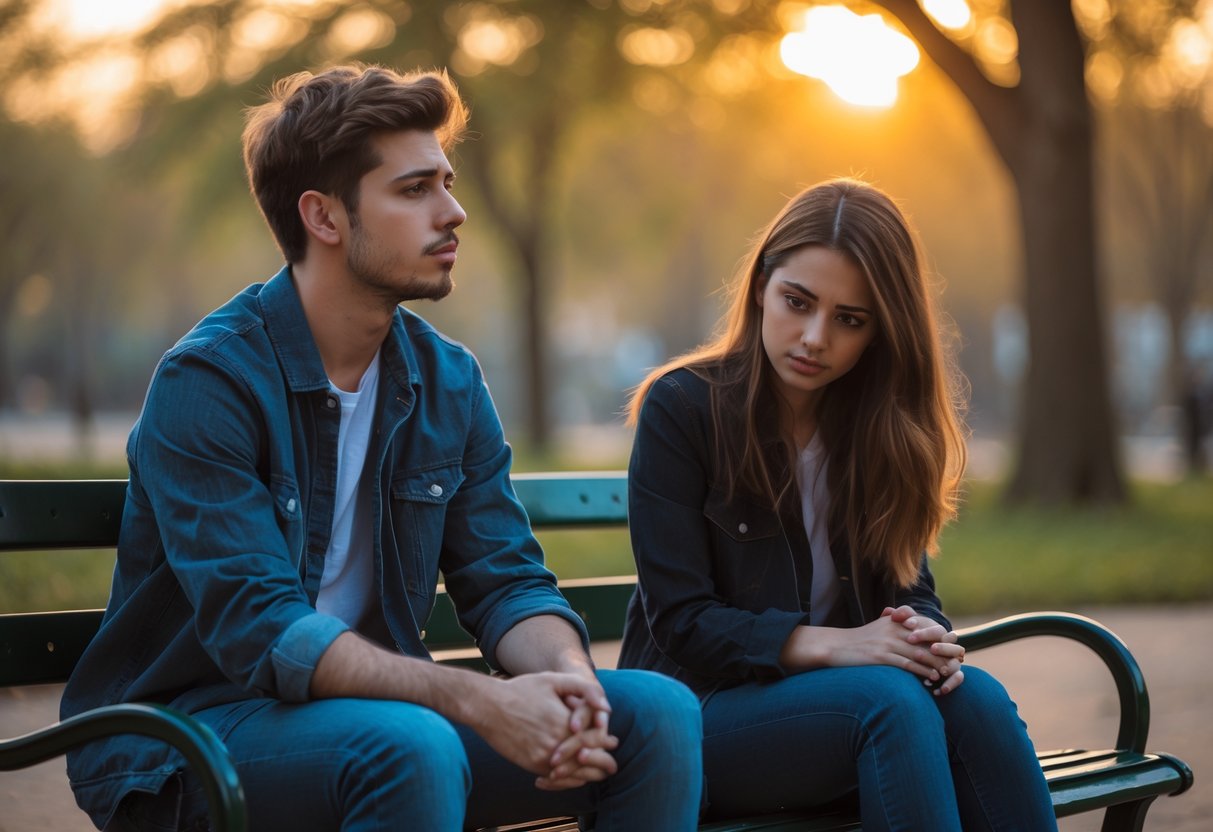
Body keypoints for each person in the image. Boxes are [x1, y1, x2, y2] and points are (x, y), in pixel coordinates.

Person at [61, 65, 702, 832]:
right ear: (325, 218)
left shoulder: (446, 380)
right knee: (411, 747)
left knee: (652, 713)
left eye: (448, 182)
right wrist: (483, 700)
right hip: (190, 737)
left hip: (382, 723)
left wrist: (570, 688)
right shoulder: (210, 382)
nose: (455, 211)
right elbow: (263, 630)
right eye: (415, 189)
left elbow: (505, 583)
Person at [618, 179, 1057, 830]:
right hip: (694, 719)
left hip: (839, 709)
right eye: (797, 302)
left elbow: (908, 586)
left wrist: (920, 633)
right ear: (762, 283)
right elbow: (682, 622)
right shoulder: (683, 408)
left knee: (977, 702)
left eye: (849, 320)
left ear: (879, 333)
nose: (814, 337)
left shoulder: (877, 429)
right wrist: (840, 646)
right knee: (887, 701)